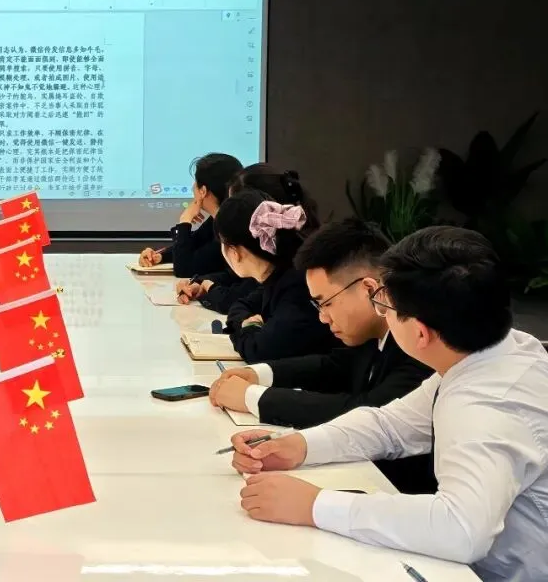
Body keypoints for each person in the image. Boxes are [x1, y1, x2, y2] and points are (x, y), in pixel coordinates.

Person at [230, 226, 548, 582]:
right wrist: (298, 446)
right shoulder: (488, 353)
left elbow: (461, 529)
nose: (381, 312)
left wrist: (316, 505)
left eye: (386, 305)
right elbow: (391, 425)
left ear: (420, 333)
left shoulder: (487, 405)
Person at [208, 218, 434, 492]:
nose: (323, 317)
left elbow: (372, 412)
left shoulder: (420, 344)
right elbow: (335, 366)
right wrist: (257, 374)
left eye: (325, 303)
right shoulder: (373, 333)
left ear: (369, 289)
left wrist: (252, 397)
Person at [213, 189, 337, 363]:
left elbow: (258, 351)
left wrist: (248, 327)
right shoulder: (277, 275)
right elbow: (240, 305)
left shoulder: (297, 285)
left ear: (235, 252)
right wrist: (249, 326)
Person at [178, 165, 320, 313]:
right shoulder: (277, 254)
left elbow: (235, 299)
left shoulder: (286, 272)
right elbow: (233, 279)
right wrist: (200, 281)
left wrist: (210, 288)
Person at [138, 153, 243, 278]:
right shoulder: (219, 218)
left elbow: (184, 269)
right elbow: (194, 244)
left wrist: (185, 221)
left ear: (203, 191)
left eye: (195, 182)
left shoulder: (229, 229)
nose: (193, 187)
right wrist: (159, 256)